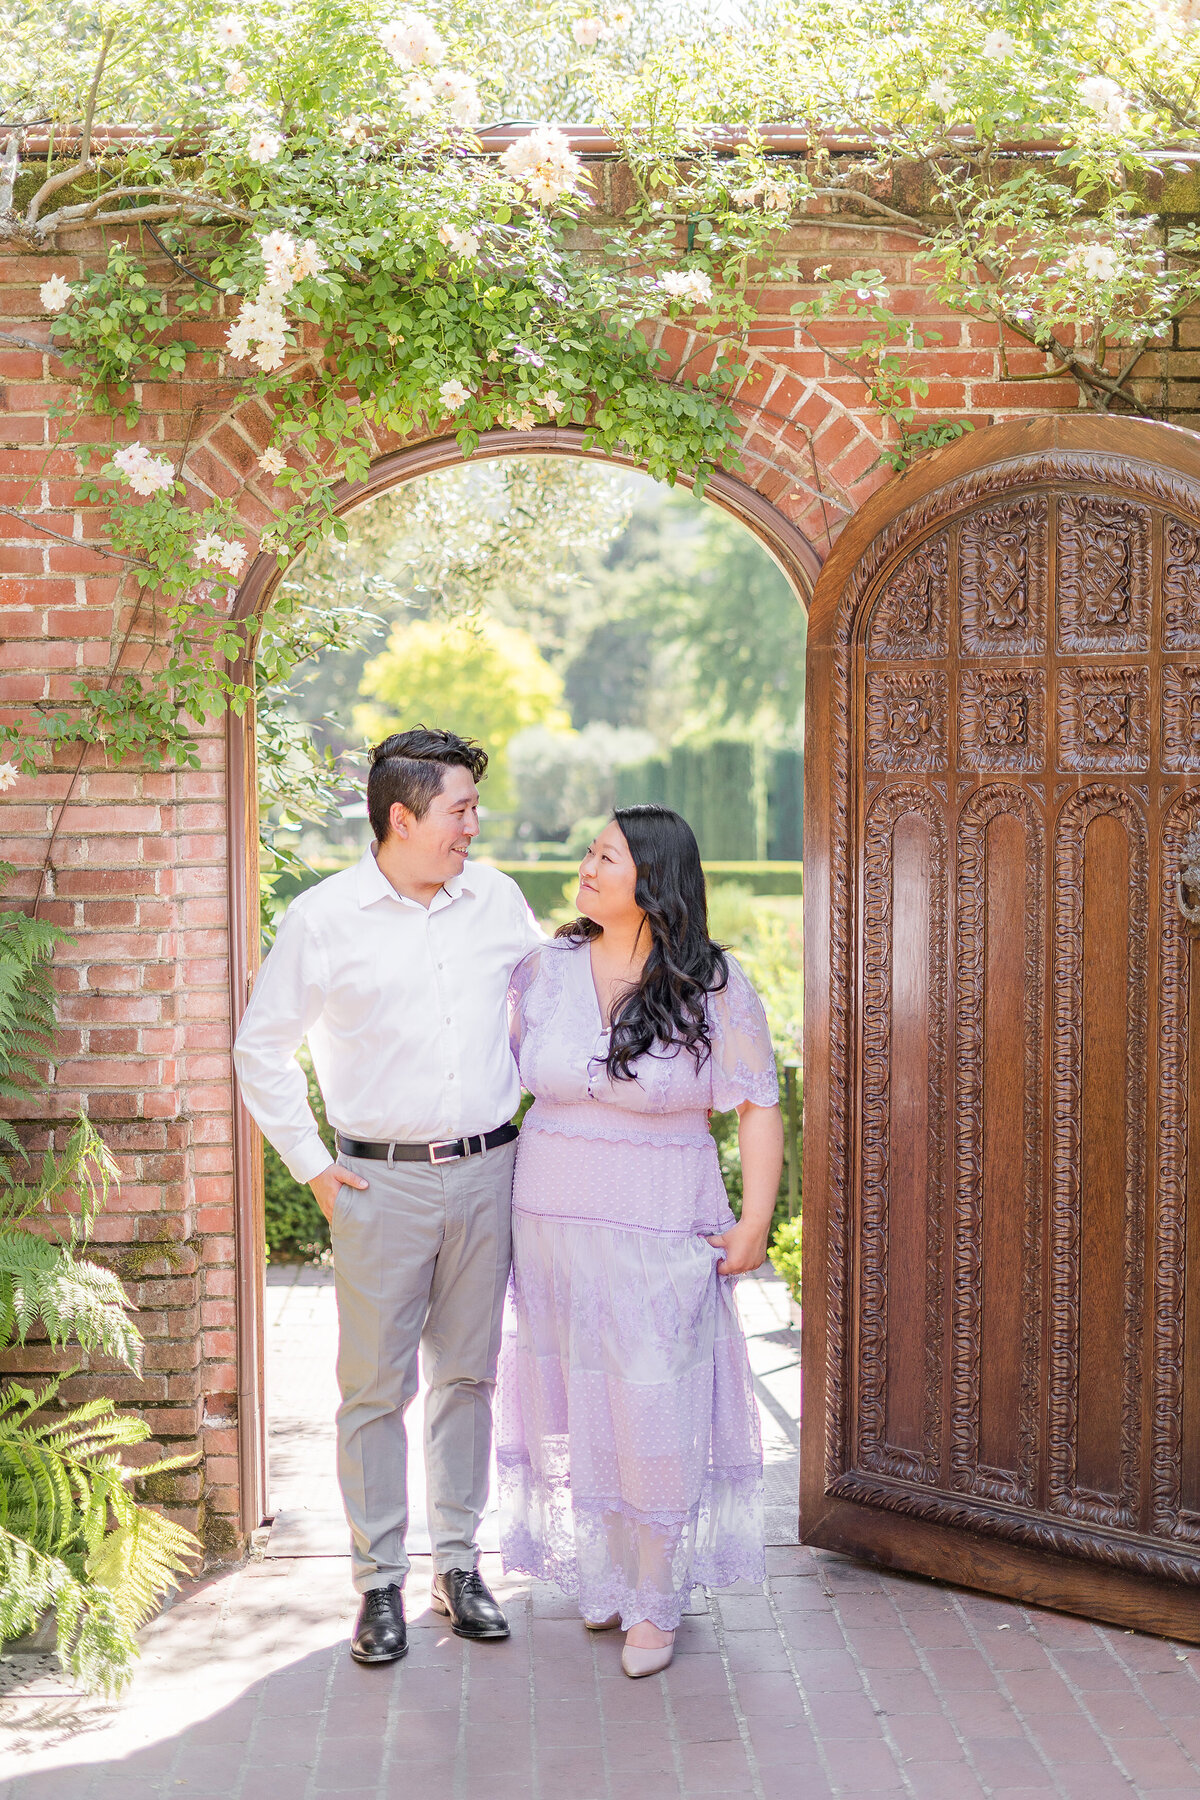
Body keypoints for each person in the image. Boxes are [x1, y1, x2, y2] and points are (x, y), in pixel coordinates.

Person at [233, 727, 542, 1666]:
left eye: (474, 809)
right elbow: (260, 1047)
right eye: (460, 810)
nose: (473, 827)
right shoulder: (325, 918)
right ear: (402, 818)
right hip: (380, 1183)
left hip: (489, 1172)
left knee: (469, 1376)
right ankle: (378, 1583)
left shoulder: (497, 900)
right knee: (373, 1390)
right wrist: (312, 1166)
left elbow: (548, 1005)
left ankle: (460, 1566)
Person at [497, 804, 784, 1678]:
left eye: (607, 856)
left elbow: (758, 1103)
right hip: (552, 1221)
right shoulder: (543, 969)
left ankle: (656, 1599)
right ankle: (609, 1576)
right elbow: (508, 1074)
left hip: (660, 1219)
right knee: (582, 1398)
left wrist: (755, 1221)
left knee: (653, 1400)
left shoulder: (713, 983)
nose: (586, 867)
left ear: (654, 878)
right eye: (589, 852)